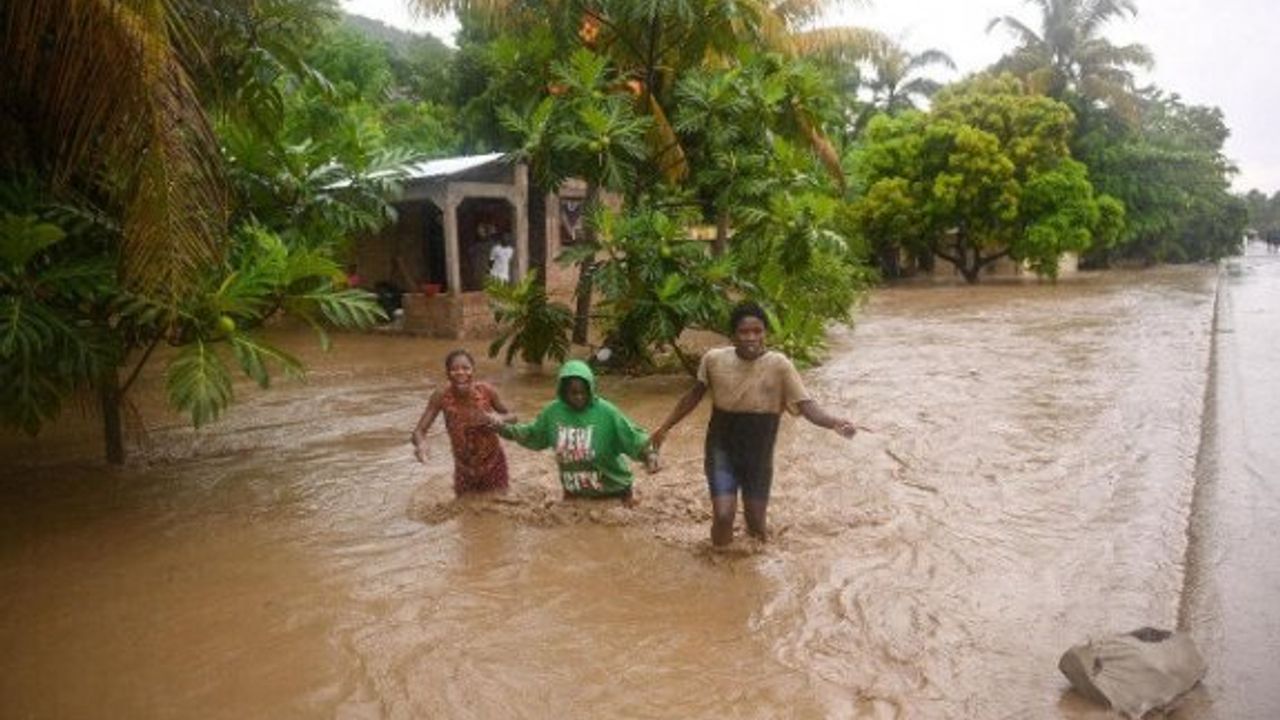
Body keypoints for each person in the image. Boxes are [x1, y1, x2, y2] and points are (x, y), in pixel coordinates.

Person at [650, 301, 859, 546]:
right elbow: (693, 397)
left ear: (765, 334)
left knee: (757, 526)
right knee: (723, 516)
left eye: (757, 331)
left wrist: (835, 423)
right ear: (732, 336)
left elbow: (806, 406)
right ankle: (719, 563)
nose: (751, 338)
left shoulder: (779, 366)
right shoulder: (714, 360)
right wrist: (664, 428)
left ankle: (752, 568)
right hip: (721, 449)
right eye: (744, 332)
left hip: (758, 456)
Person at [492, 360, 651, 502]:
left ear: (591, 389)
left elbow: (633, 438)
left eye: (584, 392)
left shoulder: (607, 413)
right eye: (573, 393)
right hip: (575, 494)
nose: (579, 397)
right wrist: (503, 429)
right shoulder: (552, 413)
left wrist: (650, 455)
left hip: (613, 493)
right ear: (563, 391)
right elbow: (531, 433)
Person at [412, 349, 514, 495]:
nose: (460, 373)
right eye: (454, 369)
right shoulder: (441, 396)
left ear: (473, 371)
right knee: (463, 508)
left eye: (466, 368)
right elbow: (419, 431)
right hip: (464, 468)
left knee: (500, 503)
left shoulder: (486, 391)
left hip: (493, 462)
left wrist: (500, 419)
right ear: (447, 373)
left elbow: (513, 417)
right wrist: (421, 444)